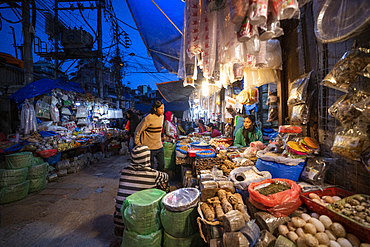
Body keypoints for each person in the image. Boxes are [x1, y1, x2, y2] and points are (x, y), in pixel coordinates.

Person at [113, 145, 169, 237]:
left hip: (119, 221)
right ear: (147, 158)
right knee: (162, 185)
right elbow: (166, 177)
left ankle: (121, 231)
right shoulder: (153, 174)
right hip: (139, 225)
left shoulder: (124, 171)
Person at [135, 101, 165, 171]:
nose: (163, 110)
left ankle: (157, 178)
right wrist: (138, 143)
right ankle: (152, 180)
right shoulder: (148, 118)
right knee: (150, 168)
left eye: (163, 108)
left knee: (162, 165)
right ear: (155, 109)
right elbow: (138, 130)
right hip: (149, 148)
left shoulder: (162, 117)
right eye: (161, 108)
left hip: (159, 146)